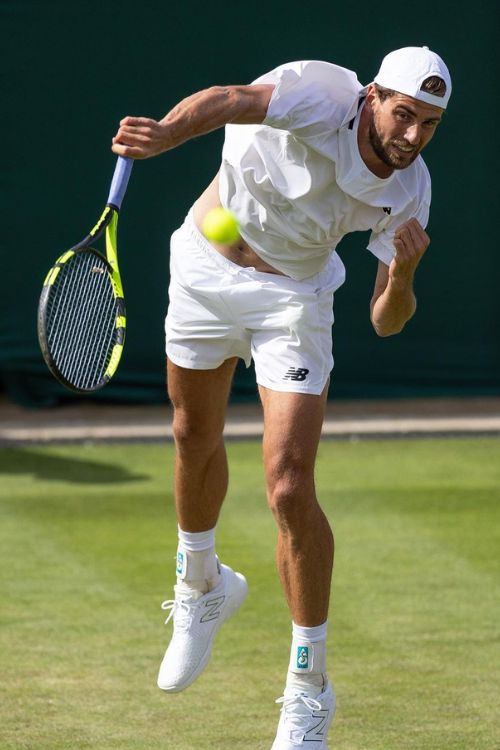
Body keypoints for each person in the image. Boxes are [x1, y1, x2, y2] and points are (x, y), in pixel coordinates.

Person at [112, 46, 452, 749]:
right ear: (372, 98)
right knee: (190, 434)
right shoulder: (319, 91)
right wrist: (167, 135)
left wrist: (404, 277)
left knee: (290, 485)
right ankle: (203, 586)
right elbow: (232, 98)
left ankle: (308, 690)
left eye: (430, 124)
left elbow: (385, 323)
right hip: (212, 248)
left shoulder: (409, 191)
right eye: (404, 114)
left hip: (295, 296)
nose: (413, 135)